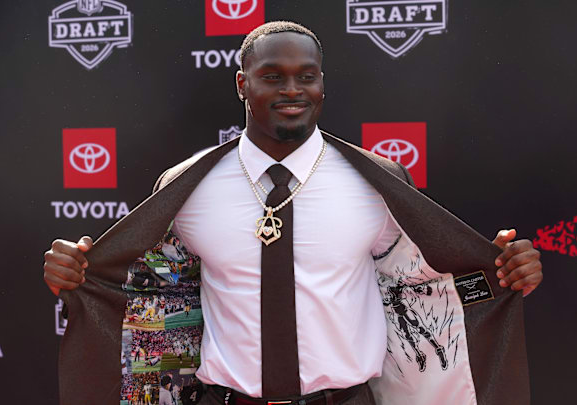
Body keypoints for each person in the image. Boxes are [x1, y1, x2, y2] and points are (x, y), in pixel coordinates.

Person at [45, 21, 542, 405]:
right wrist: (78, 274)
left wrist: (505, 270)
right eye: (272, 77)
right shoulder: (185, 187)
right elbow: (144, 292)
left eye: (307, 77)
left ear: (322, 84)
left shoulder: (378, 181)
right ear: (242, 84)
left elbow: (427, 283)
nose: (292, 90)